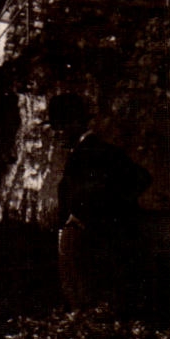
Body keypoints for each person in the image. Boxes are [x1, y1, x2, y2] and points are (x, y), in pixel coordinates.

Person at [49, 94, 151, 308]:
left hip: (96, 243)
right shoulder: (84, 152)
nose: (56, 134)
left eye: (60, 127)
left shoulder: (96, 152)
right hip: (87, 241)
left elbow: (139, 179)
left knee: (92, 299)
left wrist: (93, 217)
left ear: (75, 123)